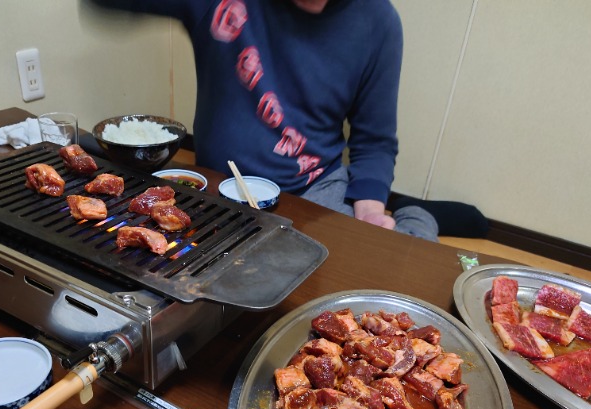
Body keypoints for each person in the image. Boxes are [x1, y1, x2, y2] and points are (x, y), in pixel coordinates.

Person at [92, 0, 440, 241]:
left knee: (380, 273)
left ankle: (416, 215)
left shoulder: (378, 21)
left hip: (314, 189)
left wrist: (370, 212)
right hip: (221, 186)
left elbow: (374, 141)